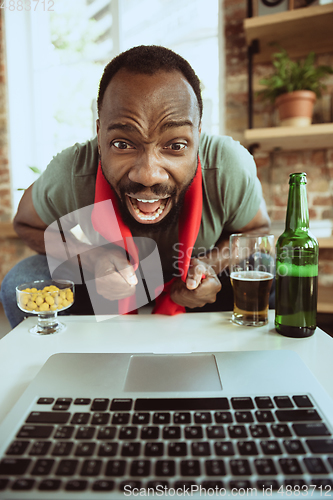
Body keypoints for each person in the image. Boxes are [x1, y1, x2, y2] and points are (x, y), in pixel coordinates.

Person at [0, 45, 270, 328]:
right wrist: (93, 259)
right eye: (123, 144)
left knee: (265, 265)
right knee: (20, 280)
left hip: (197, 294)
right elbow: (27, 224)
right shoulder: (73, 170)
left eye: (176, 145)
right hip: (100, 289)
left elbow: (257, 230)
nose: (148, 175)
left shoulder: (227, 164)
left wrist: (208, 267)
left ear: (198, 138)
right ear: (99, 135)